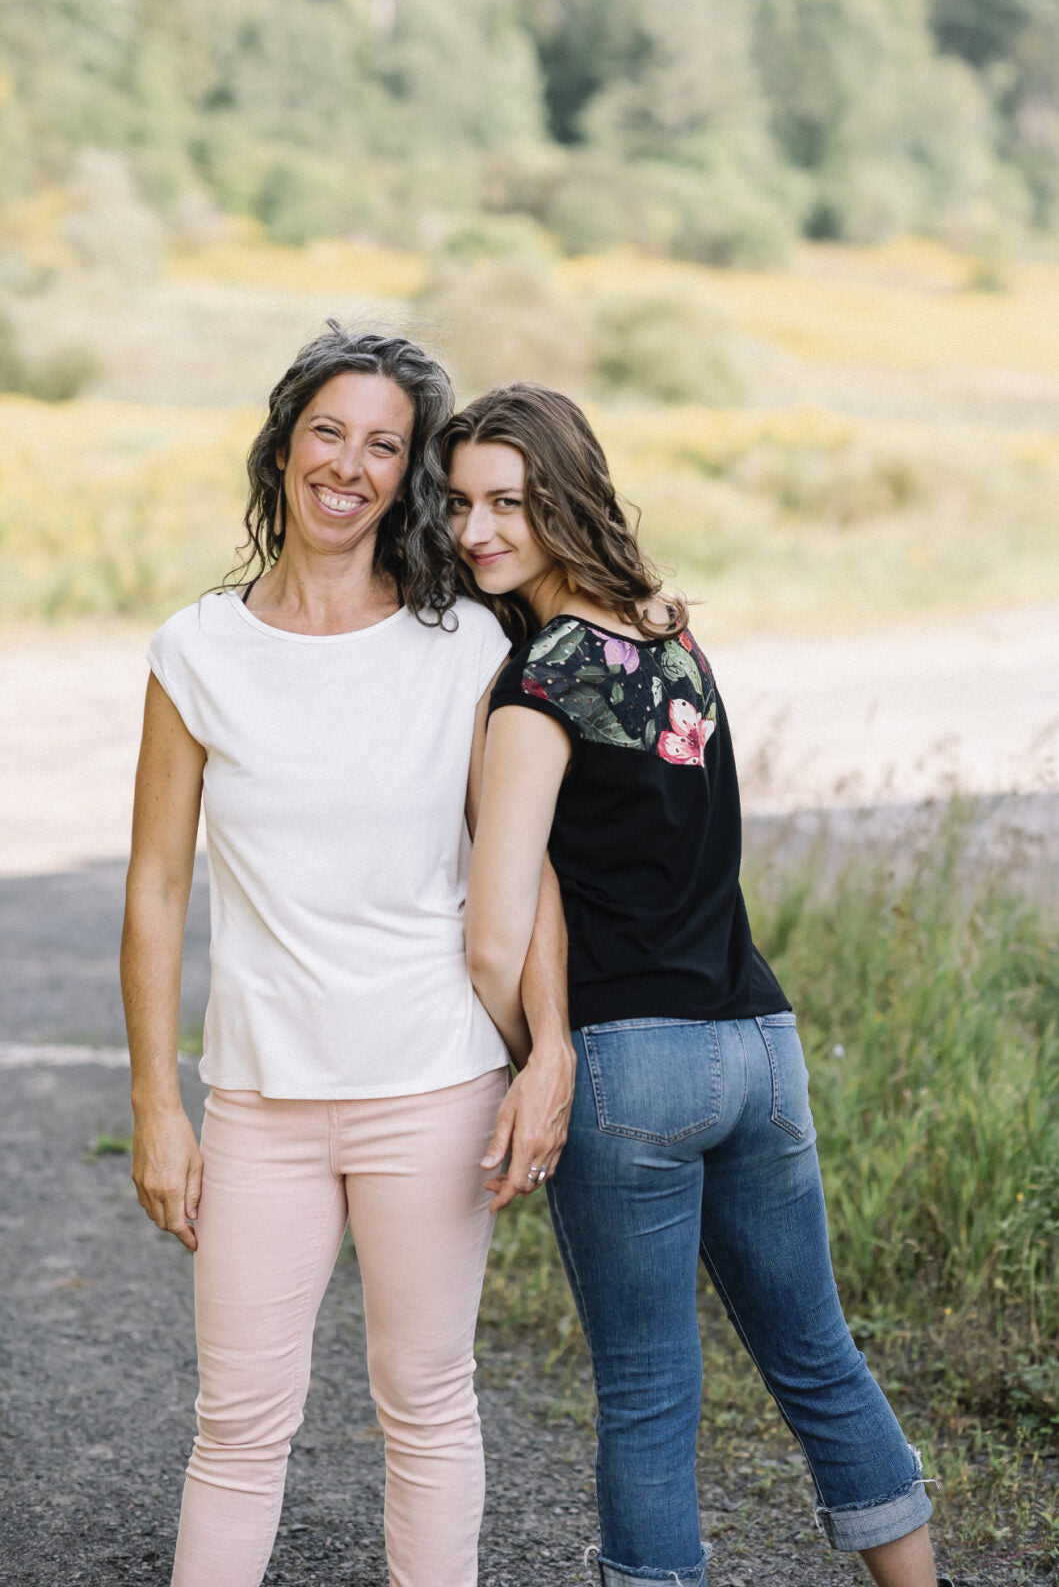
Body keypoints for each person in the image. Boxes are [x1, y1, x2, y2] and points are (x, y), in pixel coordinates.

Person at [441, 382, 951, 1587]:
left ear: (565, 497)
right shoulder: (671, 640)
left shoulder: (536, 689)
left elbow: (491, 937)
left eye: (510, 502)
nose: (477, 532)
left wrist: (541, 1056)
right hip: (760, 1048)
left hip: (633, 1062)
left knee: (650, 1397)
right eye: (460, 504)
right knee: (820, 1357)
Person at [120, 328, 572, 1587]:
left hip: (431, 1085)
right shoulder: (197, 649)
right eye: (329, 431)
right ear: (282, 446)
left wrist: (552, 1049)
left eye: (385, 445)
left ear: (408, 475)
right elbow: (157, 886)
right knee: (237, 1428)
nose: (350, 465)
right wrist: (159, 1101)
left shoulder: (464, 649)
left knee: (426, 1411)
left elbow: (518, 861)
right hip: (260, 1105)